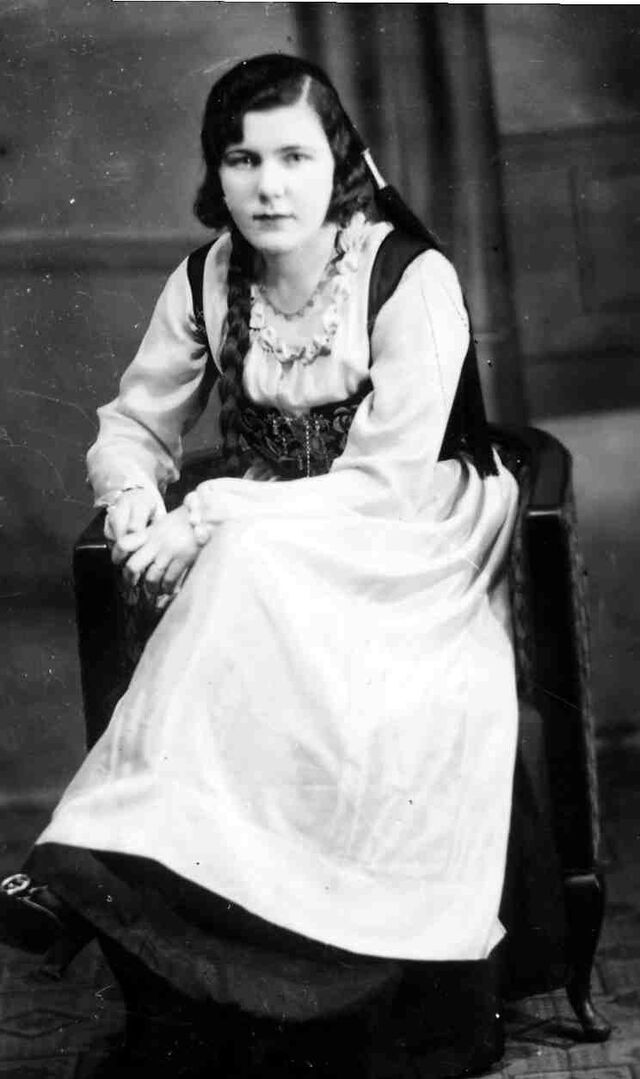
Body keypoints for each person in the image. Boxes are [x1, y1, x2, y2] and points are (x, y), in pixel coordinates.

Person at [3, 54, 520, 1078]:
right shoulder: (207, 278)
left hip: (412, 526)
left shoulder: (407, 277)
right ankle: (161, 906)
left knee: (239, 553)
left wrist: (206, 516)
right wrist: (136, 496)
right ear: (217, 171)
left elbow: (383, 484)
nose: (269, 186)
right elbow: (133, 421)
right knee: (246, 557)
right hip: (275, 524)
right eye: (243, 160)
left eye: (295, 157)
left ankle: (85, 850)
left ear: (342, 165)